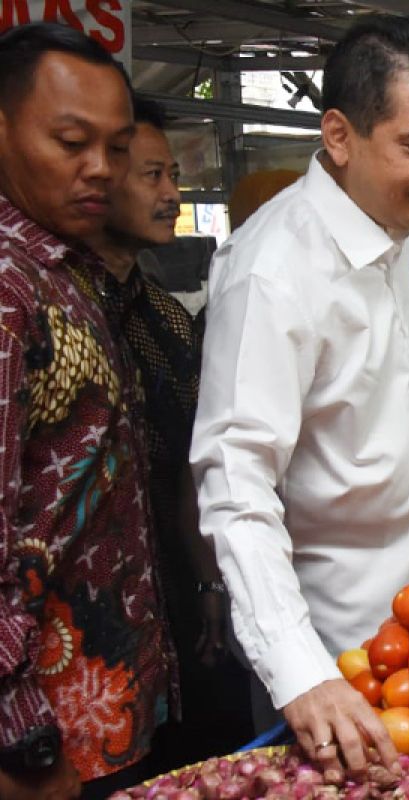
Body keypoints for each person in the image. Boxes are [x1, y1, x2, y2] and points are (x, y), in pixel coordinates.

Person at [190, 15, 409, 780]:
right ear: (340, 136)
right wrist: (298, 669)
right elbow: (236, 481)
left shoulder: (401, 234)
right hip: (326, 648)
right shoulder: (274, 271)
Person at [0, 23, 176, 799]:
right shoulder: (8, 290)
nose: (99, 170)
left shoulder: (66, 269)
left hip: (108, 703)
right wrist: (23, 739)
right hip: (52, 735)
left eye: (114, 146)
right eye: (71, 142)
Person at [82, 97, 254, 772]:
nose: (172, 195)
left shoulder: (164, 317)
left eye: (173, 175)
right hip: (95, 618)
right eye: (153, 176)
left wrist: (211, 584)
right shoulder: (51, 307)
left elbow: (196, 456)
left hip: (180, 587)